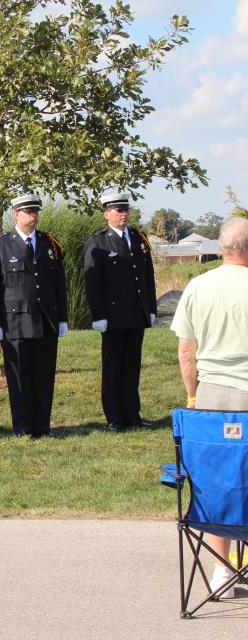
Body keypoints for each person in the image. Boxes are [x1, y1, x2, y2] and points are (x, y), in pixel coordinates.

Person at [171, 216, 248, 598]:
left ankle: (222, 568)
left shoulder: (199, 286)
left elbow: (187, 349)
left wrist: (193, 393)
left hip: (214, 396)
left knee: (219, 481)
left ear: (221, 248)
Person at [0, 194, 69, 438]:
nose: (33, 216)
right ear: (16, 214)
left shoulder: (49, 244)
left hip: (45, 321)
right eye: (28, 212)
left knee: (44, 376)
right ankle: (22, 427)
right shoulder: (0, 246)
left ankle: (42, 426)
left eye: (35, 212)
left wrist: (62, 317)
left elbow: (58, 284)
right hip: (16, 322)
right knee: (20, 378)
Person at [84, 192, 157, 431]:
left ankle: (132, 415)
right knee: (113, 367)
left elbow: (147, 276)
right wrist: (99, 316)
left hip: (136, 313)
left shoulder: (138, 238)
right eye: (117, 210)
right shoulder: (99, 241)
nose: (123, 214)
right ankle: (114, 417)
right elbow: (92, 283)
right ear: (106, 214)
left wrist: (151, 308)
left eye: (125, 209)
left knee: (132, 366)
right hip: (113, 316)